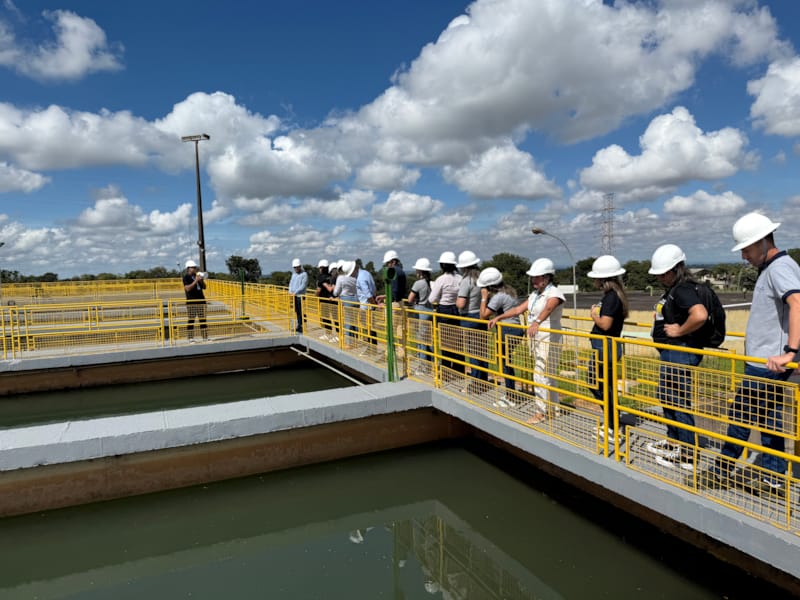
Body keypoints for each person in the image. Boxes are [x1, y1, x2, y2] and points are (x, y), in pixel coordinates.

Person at [702, 213, 800, 495]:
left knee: (741, 417)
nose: (744, 255)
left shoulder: (780, 268)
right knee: (768, 419)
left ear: (762, 242)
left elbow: (797, 303)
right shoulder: (776, 267)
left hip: (767, 362)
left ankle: (721, 471)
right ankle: (773, 477)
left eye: (746, 249)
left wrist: (790, 351)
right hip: (765, 360)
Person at [647, 244, 708, 472]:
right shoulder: (675, 289)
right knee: (667, 397)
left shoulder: (682, 289)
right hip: (673, 352)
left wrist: (679, 331)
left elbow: (700, 314)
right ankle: (675, 441)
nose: (661, 278)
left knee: (679, 402)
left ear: (677, 269)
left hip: (681, 352)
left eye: (664, 273)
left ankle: (688, 455)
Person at [487, 258, 564, 420]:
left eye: (536, 277)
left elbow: (550, 307)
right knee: (547, 374)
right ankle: (553, 409)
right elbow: (517, 309)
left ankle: (541, 412)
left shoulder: (554, 293)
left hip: (549, 336)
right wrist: (499, 317)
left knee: (541, 374)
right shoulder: (535, 295)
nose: (533, 280)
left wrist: (536, 322)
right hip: (537, 337)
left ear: (547, 278)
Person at [587, 255, 629, 445]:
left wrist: (594, 314)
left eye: (595, 277)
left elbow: (605, 324)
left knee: (599, 384)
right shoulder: (612, 296)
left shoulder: (611, 298)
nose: (593, 280)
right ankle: (612, 421)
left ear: (603, 279)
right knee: (603, 385)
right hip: (605, 347)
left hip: (606, 347)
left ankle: (613, 425)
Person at [479, 267, 523, 409]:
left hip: (507, 330)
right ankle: (511, 393)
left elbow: (483, 315)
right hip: (515, 330)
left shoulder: (498, 297)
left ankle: (510, 396)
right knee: (506, 362)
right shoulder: (509, 291)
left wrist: (484, 297)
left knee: (504, 363)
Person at [456, 250, 488, 383]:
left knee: (473, 352)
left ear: (463, 267)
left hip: (469, 317)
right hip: (481, 316)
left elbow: (461, 303)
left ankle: (476, 382)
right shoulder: (482, 278)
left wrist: (455, 301)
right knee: (482, 350)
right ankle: (484, 381)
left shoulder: (466, 281)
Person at [429, 251, 462, 370]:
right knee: (457, 342)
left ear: (442, 265)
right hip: (457, 310)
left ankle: (447, 369)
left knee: (446, 343)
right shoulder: (460, 278)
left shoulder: (441, 279)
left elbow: (432, 298)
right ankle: (459, 369)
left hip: (444, 310)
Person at [407, 257, 433, 362]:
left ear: (419, 271)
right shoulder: (430, 282)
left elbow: (410, 299)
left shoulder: (418, 283)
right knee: (429, 339)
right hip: (430, 310)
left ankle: (423, 366)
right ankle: (432, 362)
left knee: (421, 339)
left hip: (421, 310)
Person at [333, 260, 359, 344]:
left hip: (346, 299)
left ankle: (348, 342)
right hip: (356, 299)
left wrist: (334, 293)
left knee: (347, 321)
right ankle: (356, 340)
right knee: (355, 321)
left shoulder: (340, 278)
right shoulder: (354, 276)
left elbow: (336, 292)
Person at [356, 259, 378, 352]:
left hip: (365, 305)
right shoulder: (366, 273)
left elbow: (367, 294)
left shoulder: (360, 278)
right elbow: (374, 288)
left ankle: (371, 349)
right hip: (370, 304)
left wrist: (373, 303)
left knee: (368, 327)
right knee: (371, 327)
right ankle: (373, 348)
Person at [183, 259, 207, 342]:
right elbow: (188, 289)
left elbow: (204, 287)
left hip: (201, 301)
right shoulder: (186, 277)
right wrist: (196, 281)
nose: (195, 269)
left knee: (203, 319)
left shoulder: (197, 276)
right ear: (188, 268)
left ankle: (205, 337)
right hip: (191, 302)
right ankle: (190, 338)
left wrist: (201, 280)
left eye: (195, 267)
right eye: (193, 267)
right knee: (191, 319)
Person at [316, 259, 336, 340]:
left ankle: (328, 334)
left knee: (325, 317)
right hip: (332, 299)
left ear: (321, 268)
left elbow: (319, 289)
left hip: (324, 299)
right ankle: (337, 335)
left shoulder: (321, 277)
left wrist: (315, 295)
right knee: (335, 317)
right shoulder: (331, 275)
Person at [288, 258, 308, 334]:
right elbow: (291, 283)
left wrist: (295, 293)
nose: (296, 268)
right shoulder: (294, 274)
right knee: (297, 311)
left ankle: (303, 326)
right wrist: (290, 292)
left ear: (300, 266)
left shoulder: (304, 274)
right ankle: (299, 325)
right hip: (294, 296)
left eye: (297, 267)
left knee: (301, 311)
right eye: (295, 267)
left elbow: (303, 286)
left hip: (300, 296)